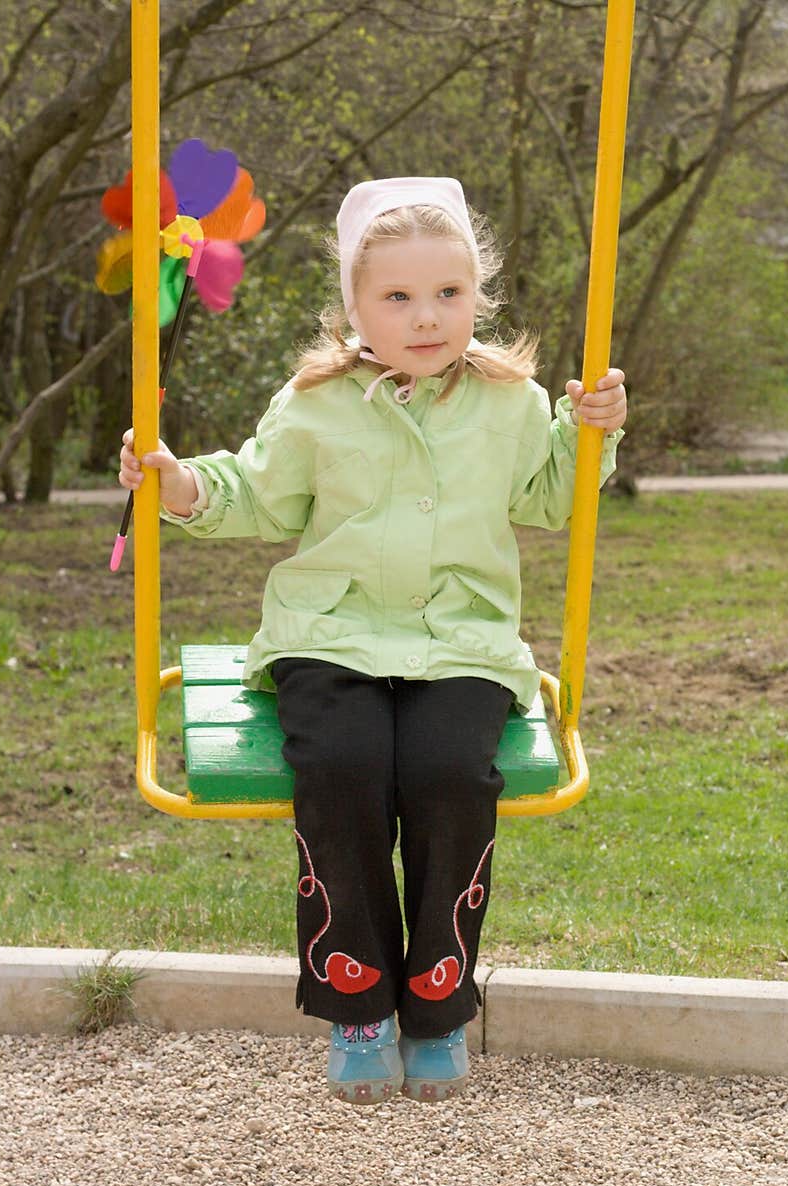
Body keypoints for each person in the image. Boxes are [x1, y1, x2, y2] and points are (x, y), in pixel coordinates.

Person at [119, 176, 627, 1106]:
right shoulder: (318, 400)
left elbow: (554, 498)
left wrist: (587, 432)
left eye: (449, 294)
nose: (426, 317)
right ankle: (358, 997)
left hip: (463, 640)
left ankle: (437, 1001)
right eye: (397, 297)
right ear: (353, 305)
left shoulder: (509, 402)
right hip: (332, 635)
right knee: (346, 765)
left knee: (445, 775)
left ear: (479, 297)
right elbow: (255, 492)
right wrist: (180, 484)